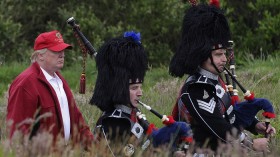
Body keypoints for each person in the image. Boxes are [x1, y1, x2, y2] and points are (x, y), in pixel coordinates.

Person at [169, 4, 276, 154]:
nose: (224, 59)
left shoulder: (215, 80)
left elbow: (230, 113)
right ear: (202, 54)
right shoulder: (195, 89)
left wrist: (255, 125)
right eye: (219, 54)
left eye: (225, 53)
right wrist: (251, 143)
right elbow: (218, 125)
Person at [90, 31, 192, 156]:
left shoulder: (132, 113)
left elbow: (149, 143)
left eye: (140, 87)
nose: (140, 93)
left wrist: (172, 153)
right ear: (118, 89)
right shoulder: (114, 122)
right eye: (134, 88)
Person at [6, 30, 94, 147]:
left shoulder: (59, 79)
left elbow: (76, 120)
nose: (62, 54)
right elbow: (18, 133)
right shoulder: (25, 84)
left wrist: (100, 149)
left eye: (63, 50)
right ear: (40, 55)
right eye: (56, 51)